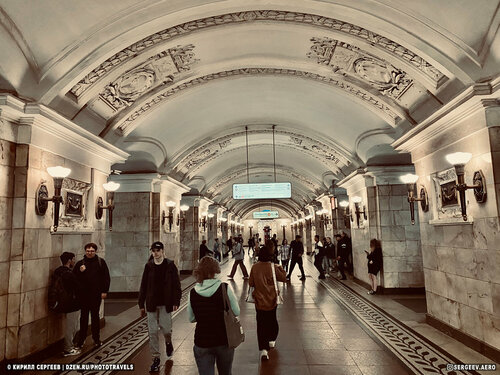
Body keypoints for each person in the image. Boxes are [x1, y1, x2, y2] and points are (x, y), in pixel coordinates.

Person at [188, 256, 240, 375]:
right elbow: (236, 311)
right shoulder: (224, 288)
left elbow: (191, 318)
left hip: (202, 342)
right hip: (224, 340)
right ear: (215, 271)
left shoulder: (193, 292)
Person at [139, 241, 182, 372]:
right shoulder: (149, 266)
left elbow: (176, 284)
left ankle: (168, 343)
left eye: (158, 250)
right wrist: (141, 303)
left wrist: (176, 301)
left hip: (165, 303)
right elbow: (143, 285)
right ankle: (156, 358)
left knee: (166, 329)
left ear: (162, 251)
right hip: (151, 303)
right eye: (153, 251)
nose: (156, 253)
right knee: (152, 332)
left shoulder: (170, 265)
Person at [249, 241, 287, 360]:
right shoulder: (272, 267)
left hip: (259, 300)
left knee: (261, 324)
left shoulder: (254, 267)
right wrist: (280, 267)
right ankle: (271, 339)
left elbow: (251, 283)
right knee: (272, 319)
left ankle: (264, 350)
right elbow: (284, 278)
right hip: (272, 299)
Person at [73, 243, 110, 349]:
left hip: (96, 295)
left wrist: (104, 291)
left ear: (95, 251)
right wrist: (80, 272)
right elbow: (74, 278)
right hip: (84, 295)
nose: (90, 253)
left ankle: (96, 339)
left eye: (92, 251)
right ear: (85, 251)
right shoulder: (80, 264)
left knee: (95, 317)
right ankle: (81, 340)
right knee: (83, 318)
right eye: (88, 251)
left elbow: (106, 277)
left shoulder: (100, 262)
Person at [50, 251, 81, 356]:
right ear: (69, 260)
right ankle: (68, 348)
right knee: (71, 326)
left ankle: (69, 346)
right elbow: (78, 287)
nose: (74, 261)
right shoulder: (69, 274)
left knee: (69, 325)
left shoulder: (58, 271)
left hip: (61, 302)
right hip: (72, 303)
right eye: (73, 259)